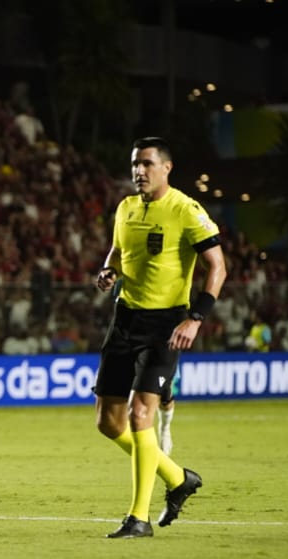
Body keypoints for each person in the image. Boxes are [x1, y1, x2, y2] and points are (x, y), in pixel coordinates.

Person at [93, 137, 226, 538]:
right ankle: (177, 477)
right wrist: (108, 271)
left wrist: (196, 318)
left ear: (167, 168)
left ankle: (139, 519)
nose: (139, 171)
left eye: (148, 163)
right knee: (107, 422)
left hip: (166, 326)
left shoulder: (186, 210)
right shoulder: (126, 208)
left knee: (139, 414)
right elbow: (117, 252)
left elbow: (217, 267)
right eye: (135, 164)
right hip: (124, 320)